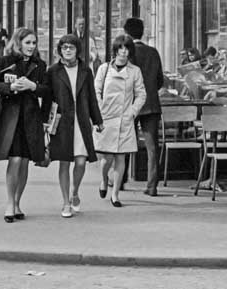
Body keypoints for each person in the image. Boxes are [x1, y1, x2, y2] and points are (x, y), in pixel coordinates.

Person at [0, 27, 48, 222]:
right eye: (28, 42)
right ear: (18, 43)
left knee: (25, 161)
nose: (31, 46)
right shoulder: (6, 61)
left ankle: (18, 202)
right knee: (15, 159)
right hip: (10, 116)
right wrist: (11, 87)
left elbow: (46, 90)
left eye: (34, 43)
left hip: (30, 116)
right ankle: (10, 203)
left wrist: (33, 86)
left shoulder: (40, 64)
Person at [42, 34, 104, 218]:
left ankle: (75, 191)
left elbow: (92, 97)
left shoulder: (86, 71)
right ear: (59, 50)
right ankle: (66, 203)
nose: (67, 50)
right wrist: (44, 121)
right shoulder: (53, 71)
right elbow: (47, 97)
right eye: (64, 47)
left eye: (71, 47)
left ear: (78, 50)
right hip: (62, 121)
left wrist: (98, 120)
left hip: (82, 120)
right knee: (64, 161)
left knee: (80, 161)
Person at [95, 34, 145, 208]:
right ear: (115, 50)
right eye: (121, 48)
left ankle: (115, 195)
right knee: (107, 157)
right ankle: (103, 180)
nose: (124, 52)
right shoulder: (104, 69)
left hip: (124, 119)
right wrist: (100, 112)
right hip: (106, 118)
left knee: (120, 157)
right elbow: (96, 91)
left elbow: (141, 94)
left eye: (127, 48)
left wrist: (132, 112)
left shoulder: (135, 71)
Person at [123, 17, 164, 197]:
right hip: (151, 104)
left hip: (131, 104)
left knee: (124, 143)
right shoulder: (153, 52)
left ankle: (120, 180)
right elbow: (160, 81)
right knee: (152, 147)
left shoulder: (126, 53)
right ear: (142, 32)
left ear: (126, 34)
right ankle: (152, 185)